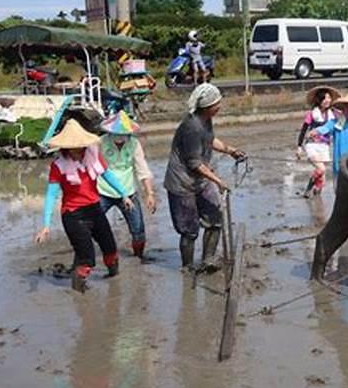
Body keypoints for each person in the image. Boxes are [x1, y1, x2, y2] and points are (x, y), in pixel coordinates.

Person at [35, 119, 134, 293]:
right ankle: (79, 294)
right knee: (86, 257)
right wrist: (46, 225)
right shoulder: (58, 166)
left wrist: (124, 194)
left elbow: (107, 176)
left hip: (94, 209)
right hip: (73, 215)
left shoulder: (93, 156)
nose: (77, 151)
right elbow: (51, 195)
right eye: (72, 148)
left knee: (110, 248)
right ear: (65, 148)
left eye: (79, 147)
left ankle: (114, 284)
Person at [164, 83, 246, 272]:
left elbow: (210, 140)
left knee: (215, 218)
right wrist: (218, 181)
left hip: (200, 180)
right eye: (217, 103)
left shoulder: (206, 120)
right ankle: (187, 267)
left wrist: (230, 150)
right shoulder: (192, 127)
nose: (220, 106)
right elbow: (195, 163)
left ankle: (208, 259)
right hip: (182, 183)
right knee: (189, 230)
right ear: (208, 106)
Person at [97, 111, 156, 262]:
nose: (120, 138)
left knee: (138, 230)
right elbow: (92, 168)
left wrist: (149, 193)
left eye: (123, 134)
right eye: (116, 134)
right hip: (104, 192)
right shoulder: (100, 143)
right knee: (91, 224)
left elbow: (142, 169)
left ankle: (139, 257)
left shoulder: (134, 144)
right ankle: (93, 256)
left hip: (129, 193)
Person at [296, 86, 341, 198]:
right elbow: (303, 130)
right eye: (324, 98)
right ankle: (309, 191)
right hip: (312, 145)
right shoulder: (312, 114)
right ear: (319, 100)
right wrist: (299, 147)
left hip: (324, 146)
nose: (327, 101)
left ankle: (314, 200)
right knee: (321, 169)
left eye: (329, 98)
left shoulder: (334, 114)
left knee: (322, 181)